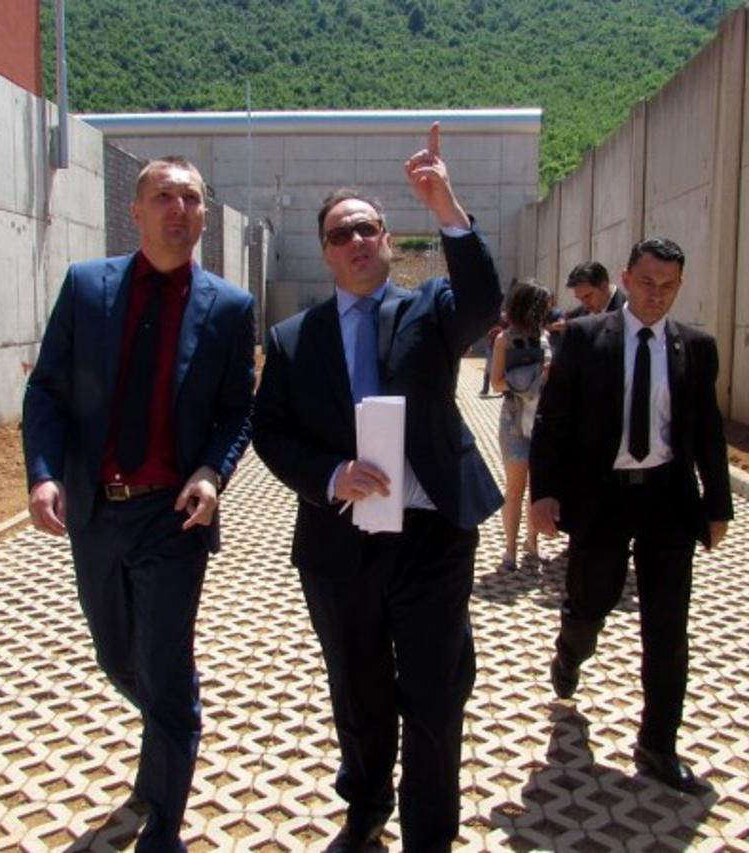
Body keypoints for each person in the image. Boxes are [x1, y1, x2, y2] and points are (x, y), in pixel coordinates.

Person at [252, 123, 502, 851]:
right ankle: (365, 806)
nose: (356, 240)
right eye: (341, 233)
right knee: (358, 691)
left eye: (368, 228)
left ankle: (430, 835)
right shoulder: (293, 339)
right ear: (326, 251)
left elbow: (484, 300)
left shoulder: (431, 310)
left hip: (431, 539)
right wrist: (332, 475)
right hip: (340, 544)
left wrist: (446, 204)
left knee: (434, 696)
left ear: (389, 240)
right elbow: (272, 433)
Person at [22, 156, 255, 851]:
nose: (178, 208)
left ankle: (165, 826)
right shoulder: (86, 286)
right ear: (137, 210)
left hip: (173, 517)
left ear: (204, 216)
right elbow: (46, 391)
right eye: (164, 196)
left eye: (191, 198)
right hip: (95, 512)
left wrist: (212, 472)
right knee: (117, 657)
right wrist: (43, 473)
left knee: (167, 668)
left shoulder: (229, 307)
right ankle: (166, 737)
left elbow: (237, 410)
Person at [529, 237, 733, 793]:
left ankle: (658, 745)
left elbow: (709, 432)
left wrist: (718, 505)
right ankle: (570, 652)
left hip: (668, 500)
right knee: (589, 603)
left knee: (667, 627)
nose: (655, 294)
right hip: (602, 499)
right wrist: (543, 493)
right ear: (625, 277)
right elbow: (552, 419)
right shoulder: (585, 338)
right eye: (646, 282)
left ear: (680, 286)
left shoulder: (697, 347)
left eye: (668, 286)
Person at [490, 279, 551, 573]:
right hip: (514, 420)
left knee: (537, 488)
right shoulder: (504, 340)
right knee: (515, 488)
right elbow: (496, 382)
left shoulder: (545, 337)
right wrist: (527, 381)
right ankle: (510, 549)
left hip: (541, 422)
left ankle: (532, 542)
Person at [479, 313, 505, 396]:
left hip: (497, 348)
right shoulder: (492, 326)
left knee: (498, 369)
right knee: (488, 369)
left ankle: (501, 391)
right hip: (491, 348)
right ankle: (485, 389)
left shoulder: (500, 327)